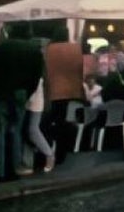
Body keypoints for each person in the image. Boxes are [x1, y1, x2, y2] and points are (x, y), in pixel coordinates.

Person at [0, 24, 43, 181]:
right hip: (21, 92)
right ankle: (14, 168)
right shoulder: (33, 50)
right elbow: (36, 75)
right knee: (15, 130)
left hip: (1, 92)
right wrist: (28, 92)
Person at [42, 26, 83, 165]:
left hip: (51, 90)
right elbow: (80, 68)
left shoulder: (49, 48)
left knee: (47, 122)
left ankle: (46, 150)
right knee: (62, 121)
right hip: (69, 90)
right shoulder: (75, 49)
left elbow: (45, 68)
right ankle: (61, 153)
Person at [18, 79, 55, 175]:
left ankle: (49, 154)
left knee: (32, 130)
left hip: (32, 100)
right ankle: (28, 163)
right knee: (29, 131)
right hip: (34, 99)